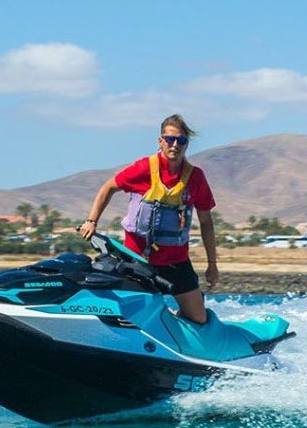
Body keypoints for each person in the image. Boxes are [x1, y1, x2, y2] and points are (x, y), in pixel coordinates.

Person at [79, 114, 217, 324]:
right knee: (133, 314)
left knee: (198, 317)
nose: (175, 145)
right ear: (160, 141)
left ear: (187, 144)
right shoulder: (144, 168)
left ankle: (173, 326)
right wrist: (91, 221)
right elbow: (108, 188)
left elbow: (206, 223)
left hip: (175, 261)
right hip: (136, 260)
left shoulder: (196, 178)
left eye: (181, 140)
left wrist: (212, 264)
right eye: (169, 139)